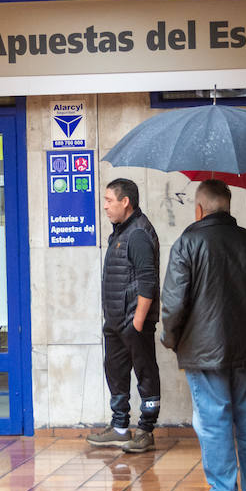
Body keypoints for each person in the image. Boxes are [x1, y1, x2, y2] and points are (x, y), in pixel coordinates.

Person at [160, 179, 246, 491]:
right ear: (229, 205)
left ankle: (223, 487)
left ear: (198, 209)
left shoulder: (188, 243)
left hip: (202, 348)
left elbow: (173, 302)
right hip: (245, 345)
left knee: (213, 416)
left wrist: (170, 337)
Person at [87, 178, 162, 453]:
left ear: (125, 202)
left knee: (145, 372)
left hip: (134, 321)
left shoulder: (139, 232)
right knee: (115, 371)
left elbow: (147, 280)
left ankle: (145, 429)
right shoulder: (121, 231)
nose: (105, 206)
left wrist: (138, 322)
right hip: (116, 321)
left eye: (109, 200)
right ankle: (119, 427)